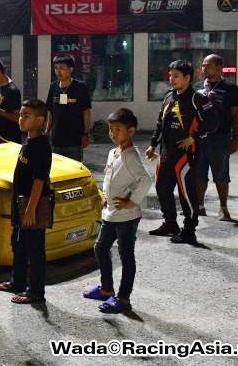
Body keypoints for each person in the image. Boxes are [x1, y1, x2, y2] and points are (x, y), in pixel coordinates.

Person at [84, 108, 151, 314]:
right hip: (111, 213)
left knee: (125, 255)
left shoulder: (131, 156)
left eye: (118, 129)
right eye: (111, 129)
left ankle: (123, 298)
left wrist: (131, 201)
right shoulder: (113, 152)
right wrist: (105, 194)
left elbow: (145, 180)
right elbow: (109, 176)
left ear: (130, 131)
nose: (113, 133)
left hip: (127, 216)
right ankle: (106, 289)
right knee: (101, 248)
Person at [146, 60, 218, 245]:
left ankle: (189, 230)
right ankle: (170, 223)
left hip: (186, 155)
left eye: (176, 76)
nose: (171, 79)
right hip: (166, 153)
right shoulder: (169, 96)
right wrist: (153, 144)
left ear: (187, 78)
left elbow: (212, 121)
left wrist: (193, 136)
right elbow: (160, 122)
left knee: (187, 194)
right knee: (162, 188)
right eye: (170, 75)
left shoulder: (197, 98)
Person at [0, 99, 52, 304]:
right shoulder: (28, 140)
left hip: (31, 206)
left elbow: (39, 180)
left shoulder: (41, 145)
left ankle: (36, 291)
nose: (20, 119)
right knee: (18, 244)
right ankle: (17, 281)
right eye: (20, 114)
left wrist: (30, 210)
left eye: (26, 116)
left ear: (39, 120)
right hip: (19, 204)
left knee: (35, 250)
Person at [194, 54, 238, 221]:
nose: (204, 68)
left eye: (208, 65)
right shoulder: (197, 88)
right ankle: (199, 206)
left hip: (220, 138)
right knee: (199, 174)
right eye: (204, 65)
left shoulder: (230, 88)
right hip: (200, 138)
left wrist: (235, 137)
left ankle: (223, 208)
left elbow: (236, 115)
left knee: (221, 175)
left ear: (219, 67)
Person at [46, 54, 91, 162]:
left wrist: (85, 134)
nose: (58, 71)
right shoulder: (53, 87)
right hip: (57, 139)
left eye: (62, 68)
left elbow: (86, 112)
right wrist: (47, 132)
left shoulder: (80, 87)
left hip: (74, 139)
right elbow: (51, 112)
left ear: (70, 69)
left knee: (74, 169)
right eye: (56, 68)